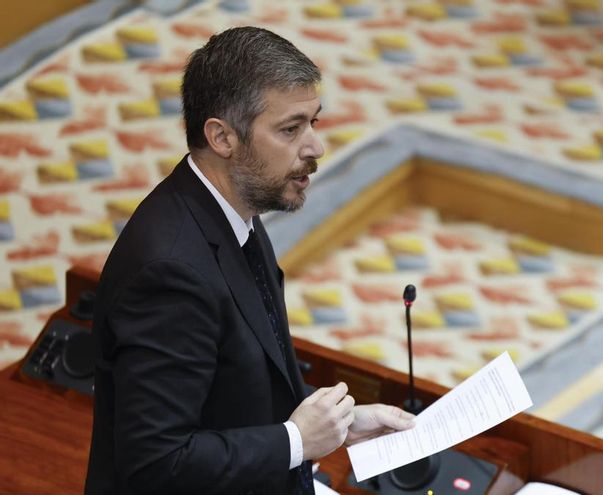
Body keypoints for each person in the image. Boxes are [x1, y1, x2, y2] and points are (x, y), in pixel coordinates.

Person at [84, 26, 414, 495]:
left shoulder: (236, 207)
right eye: (290, 129)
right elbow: (157, 463)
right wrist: (297, 441)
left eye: (313, 123)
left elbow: (239, 379)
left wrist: (339, 424)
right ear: (222, 137)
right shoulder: (171, 273)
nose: (315, 148)